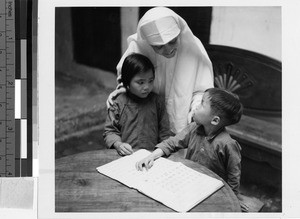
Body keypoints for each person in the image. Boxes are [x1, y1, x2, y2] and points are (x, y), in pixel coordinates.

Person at [136, 88, 248, 211]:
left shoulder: (227, 144)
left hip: (213, 194)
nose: (195, 107)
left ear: (215, 120)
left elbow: (234, 177)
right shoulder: (193, 128)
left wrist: (232, 201)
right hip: (189, 185)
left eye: (201, 104)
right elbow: (172, 143)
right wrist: (152, 156)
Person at [107, 7, 214, 134]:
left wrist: (196, 111)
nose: (168, 50)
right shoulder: (139, 46)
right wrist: (123, 89)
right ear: (148, 43)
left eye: (173, 41)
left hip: (183, 118)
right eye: (159, 47)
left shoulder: (193, 47)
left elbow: (202, 91)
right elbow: (126, 76)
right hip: (146, 116)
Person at [103, 53, 173, 156]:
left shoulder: (157, 102)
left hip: (151, 158)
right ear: (127, 82)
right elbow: (110, 131)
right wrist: (118, 145)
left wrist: (161, 152)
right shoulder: (118, 103)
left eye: (151, 81)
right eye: (141, 82)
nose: (147, 87)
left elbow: (165, 133)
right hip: (124, 157)